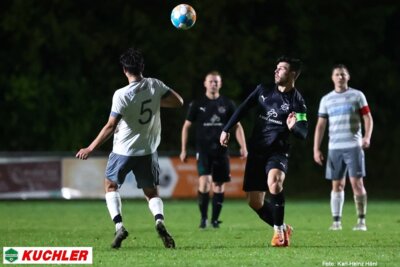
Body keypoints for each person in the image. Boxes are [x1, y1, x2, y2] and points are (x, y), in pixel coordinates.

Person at [76, 47, 183, 249]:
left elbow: (110, 126)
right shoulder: (155, 84)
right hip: (148, 150)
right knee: (152, 192)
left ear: (125, 70)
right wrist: (154, 103)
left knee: (110, 185)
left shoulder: (121, 94)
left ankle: (119, 226)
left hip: (123, 150)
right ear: (142, 67)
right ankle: (159, 221)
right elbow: (179, 102)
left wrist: (90, 148)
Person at [220, 56, 308, 247]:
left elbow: (303, 132)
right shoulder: (263, 90)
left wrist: (294, 127)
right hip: (257, 151)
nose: (276, 71)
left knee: (274, 184)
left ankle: (278, 234)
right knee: (254, 202)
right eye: (276, 67)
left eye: (282, 68)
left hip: (277, 152)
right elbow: (243, 108)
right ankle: (284, 226)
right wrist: (226, 129)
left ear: (293, 74)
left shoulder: (297, 101)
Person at [180, 71, 248, 229]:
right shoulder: (197, 104)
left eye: (216, 81)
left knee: (219, 184)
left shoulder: (227, 103)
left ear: (220, 83)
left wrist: (243, 146)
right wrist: (183, 149)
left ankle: (215, 220)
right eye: (211, 81)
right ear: (205, 83)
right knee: (204, 183)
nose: (214, 84)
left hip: (222, 150)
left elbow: (237, 125)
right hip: (203, 150)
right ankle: (203, 219)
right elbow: (186, 127)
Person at [313, 64, 373, 231]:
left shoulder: (357, 95)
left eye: (343, 74)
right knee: (337, 185)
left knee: (357, 184)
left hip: (354, 146)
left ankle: (361, 221)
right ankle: (336, 222)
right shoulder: (326, 99)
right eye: (337, 74)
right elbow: (320, 125)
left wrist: (366, 137)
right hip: (334, 148)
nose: (340, 77)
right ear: (332, 78)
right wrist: (316, 148)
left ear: (348, 77)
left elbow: (368, 118)